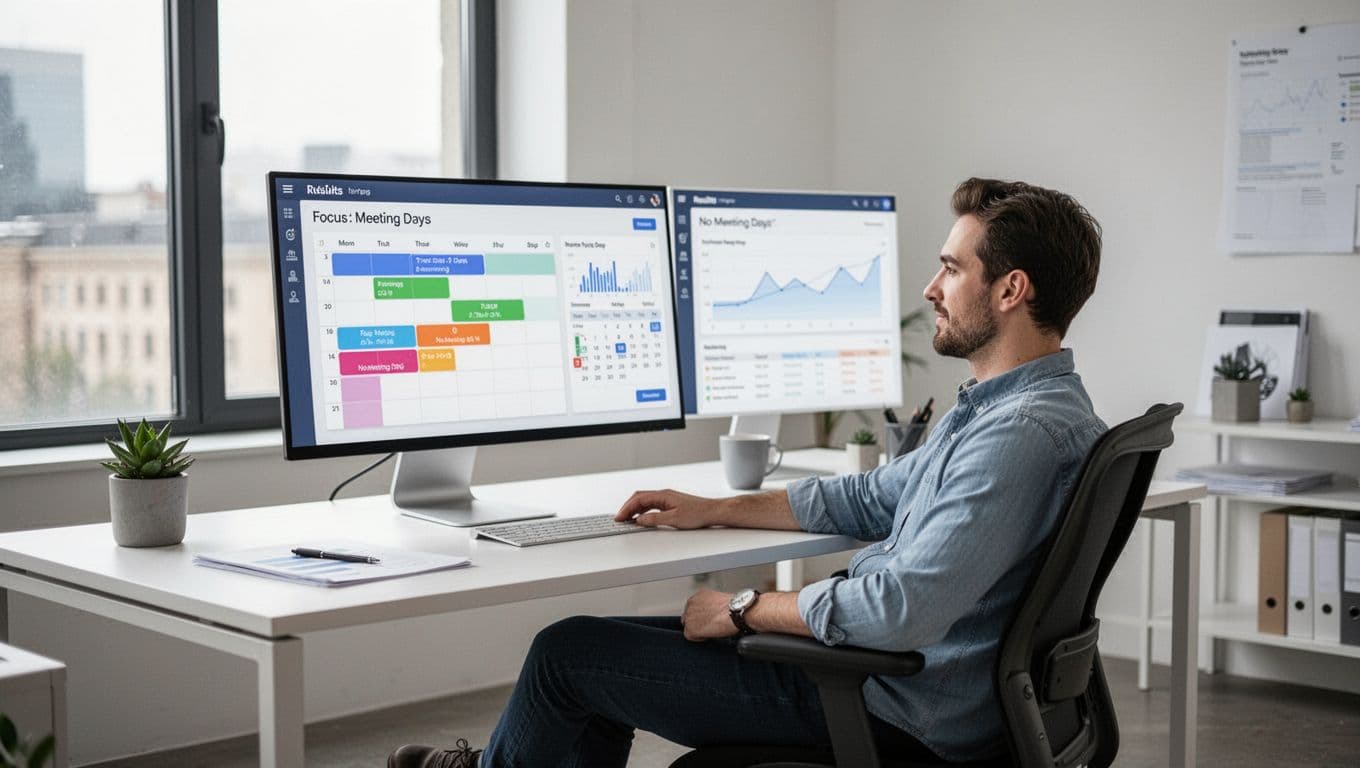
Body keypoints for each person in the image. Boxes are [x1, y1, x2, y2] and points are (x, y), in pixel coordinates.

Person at [389, 177, 1108, 768]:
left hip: (891, 701)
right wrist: (715, 507)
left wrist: (740, 608)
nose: (930, 287)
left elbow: (897, 611)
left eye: (952, 268)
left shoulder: (1016, 436)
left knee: (566, 655)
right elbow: (870, 496)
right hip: (905, 680)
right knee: (597, 648)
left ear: (1010, 290)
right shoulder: (1020, 408)